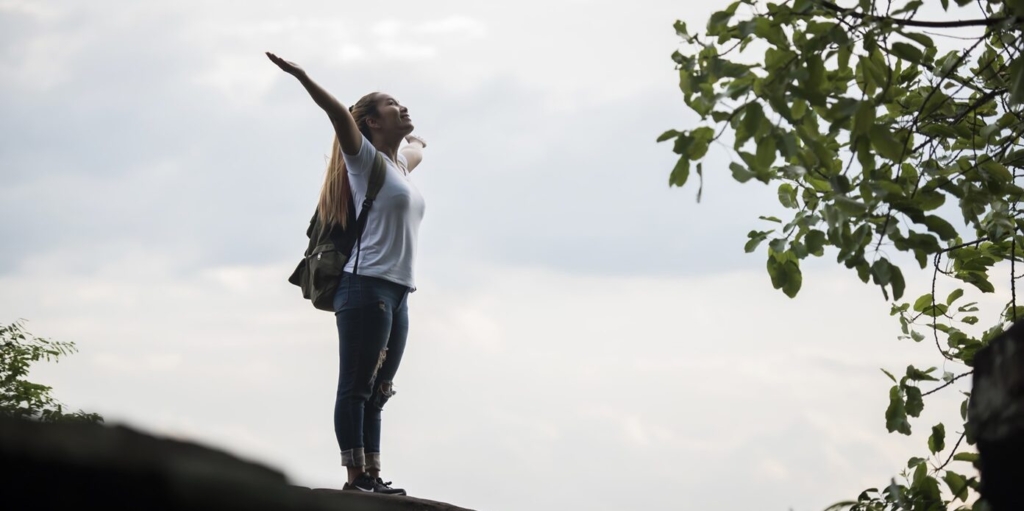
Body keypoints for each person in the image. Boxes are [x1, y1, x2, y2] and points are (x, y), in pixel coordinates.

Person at [266, 52, 427, 496]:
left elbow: (415, 151)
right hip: (365, 285)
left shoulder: (397, 168)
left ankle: (373, 474)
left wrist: (417, 144)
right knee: (355, 387)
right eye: (393, 104)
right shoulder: (365, 162)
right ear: (371, 123)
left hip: (398, 292)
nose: (403, 108)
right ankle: (355, 480)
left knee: (379, 391)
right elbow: (338, 114)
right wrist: (303, 78)